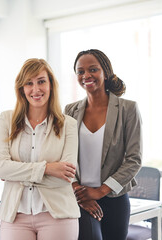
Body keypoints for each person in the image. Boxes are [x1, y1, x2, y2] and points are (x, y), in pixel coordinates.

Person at [0, 58, 80, 240]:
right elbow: (0, 168)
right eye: (29, 83)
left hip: (58, 215)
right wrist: (48, 169)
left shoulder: (68, 125)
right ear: (22, 89)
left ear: (50, 85)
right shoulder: (6, 120)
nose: (36, 89)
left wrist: (15, 174)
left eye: (41, 81)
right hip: (15, 215)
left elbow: (66, 177)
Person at [64, 49, 142, 240]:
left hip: (114, 198)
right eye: (80, 71)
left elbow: (134, 159)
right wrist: (77, 189)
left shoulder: (128, 109)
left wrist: (101, 191)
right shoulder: (70, 111)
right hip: (80, 198)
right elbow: (63, 155)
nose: (86, 76)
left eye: (93, 69)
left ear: (105, 72)